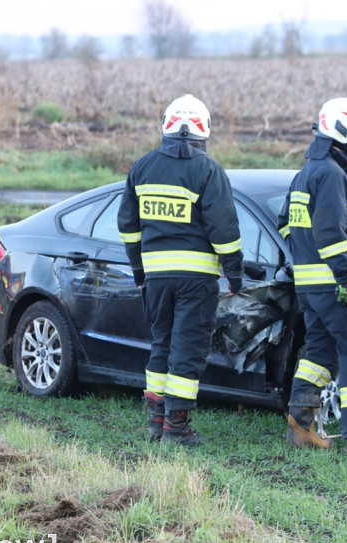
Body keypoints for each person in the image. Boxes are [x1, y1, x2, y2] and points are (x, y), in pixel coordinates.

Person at [118, 94, 244, 446]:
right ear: (203, 130)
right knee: (187, 350)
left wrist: (140, 272)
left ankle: (157, 424)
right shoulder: (208, 170)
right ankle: (178, 429)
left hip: (156, 279)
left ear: (167, 126)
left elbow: (128, 228)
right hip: (196, 280)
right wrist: (234, 275)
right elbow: (225, 231)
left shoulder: (141, 168)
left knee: (162, 345)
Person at [276, 97, 347, 450]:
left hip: (309, 286)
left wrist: (305, 254)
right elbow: (330, 232)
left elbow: (285, 225)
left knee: (320, 351)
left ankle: (300, 427)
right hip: (333, 283)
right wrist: (345, 278)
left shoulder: (306, 172)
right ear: (341, 133)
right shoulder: (331, 174)